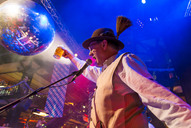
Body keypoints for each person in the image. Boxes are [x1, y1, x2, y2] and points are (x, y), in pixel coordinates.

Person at [62, 27, 191, 128]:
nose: (90, 53)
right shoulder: (104, 73)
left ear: (104, 44)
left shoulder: (124, 61)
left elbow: (158, 98)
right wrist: (72, 58)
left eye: (92, 48)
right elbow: (88, 71)